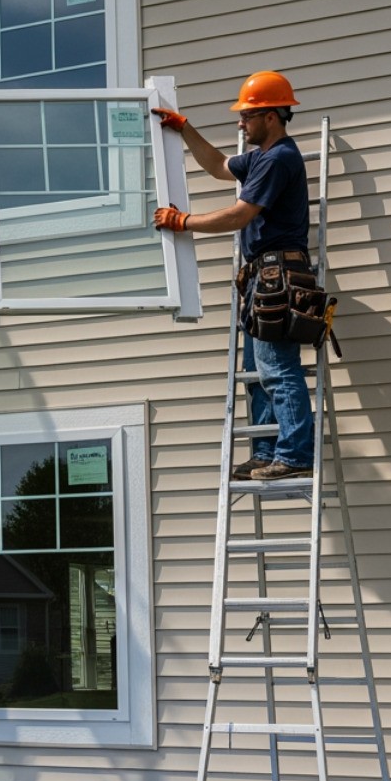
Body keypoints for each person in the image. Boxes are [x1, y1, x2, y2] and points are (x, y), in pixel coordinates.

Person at [152, 71, 314, 481]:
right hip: (262, 276)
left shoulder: (280, 159)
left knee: (277, 367)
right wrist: (184, 128)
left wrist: (183, 221)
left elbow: (240, 215)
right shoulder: (260, 158)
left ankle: (294, 454)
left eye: (247, 116)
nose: (240, 123)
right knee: (258, 371)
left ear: (272, 117)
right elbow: (219, 166)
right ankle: (265, 451)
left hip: (278, 273)